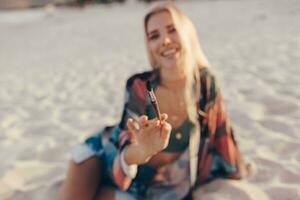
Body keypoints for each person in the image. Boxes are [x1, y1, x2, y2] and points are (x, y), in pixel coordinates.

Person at [59, 2, 249, 200]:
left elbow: (221, 133)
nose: (165, 41)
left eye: (172, 30)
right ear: (149, 46)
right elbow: (126, 141)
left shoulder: (205, 85)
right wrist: (142, 150)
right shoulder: (140, 86)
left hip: (159, 185)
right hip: (109, 157)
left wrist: (237, 171)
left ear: (188, 34)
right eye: (154, 36)